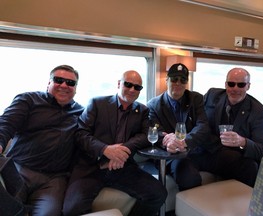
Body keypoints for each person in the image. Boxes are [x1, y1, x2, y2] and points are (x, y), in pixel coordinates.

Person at [63, 70, 167, 216]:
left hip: (123, 166)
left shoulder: (142, 110)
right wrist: (105, 150)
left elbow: (145, 135)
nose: (132, 90)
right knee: (71, 210)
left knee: (158, 194)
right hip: (92, 167)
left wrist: (122, 150)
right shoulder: (97, 103)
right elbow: (81, 134)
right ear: (119, 84)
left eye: (137, 87)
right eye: (128, 84)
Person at [0, 65, 84, 216]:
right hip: (19, 170)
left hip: (53, 180)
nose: (64, 85)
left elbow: (91, 139)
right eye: (59, 80)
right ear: (49, 83)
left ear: (75, 89)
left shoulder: (82, 113)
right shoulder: (28, 100)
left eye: (70, 83)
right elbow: (6, 123)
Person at [147, 63, 212, 191]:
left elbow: (203, 126)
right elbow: (155, 132)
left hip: (194, 150)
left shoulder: (195, 98)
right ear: (167, 80)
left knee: (233, 160)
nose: (178, 83)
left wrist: (185, 141)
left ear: (186, 82)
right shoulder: (153, 105)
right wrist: (168, 142)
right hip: (170, 155)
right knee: (189, 176)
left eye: (183, 80)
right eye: (174, 79)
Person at [203, 67, 263, 187]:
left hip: (234, 156)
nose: (235, 89)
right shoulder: (211, 96)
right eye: (231, 84)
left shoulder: (258, 111)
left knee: (250, 167)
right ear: (225, 84)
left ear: (248, 86)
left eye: (241, 85)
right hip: (208, 151)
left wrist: (242, 142)